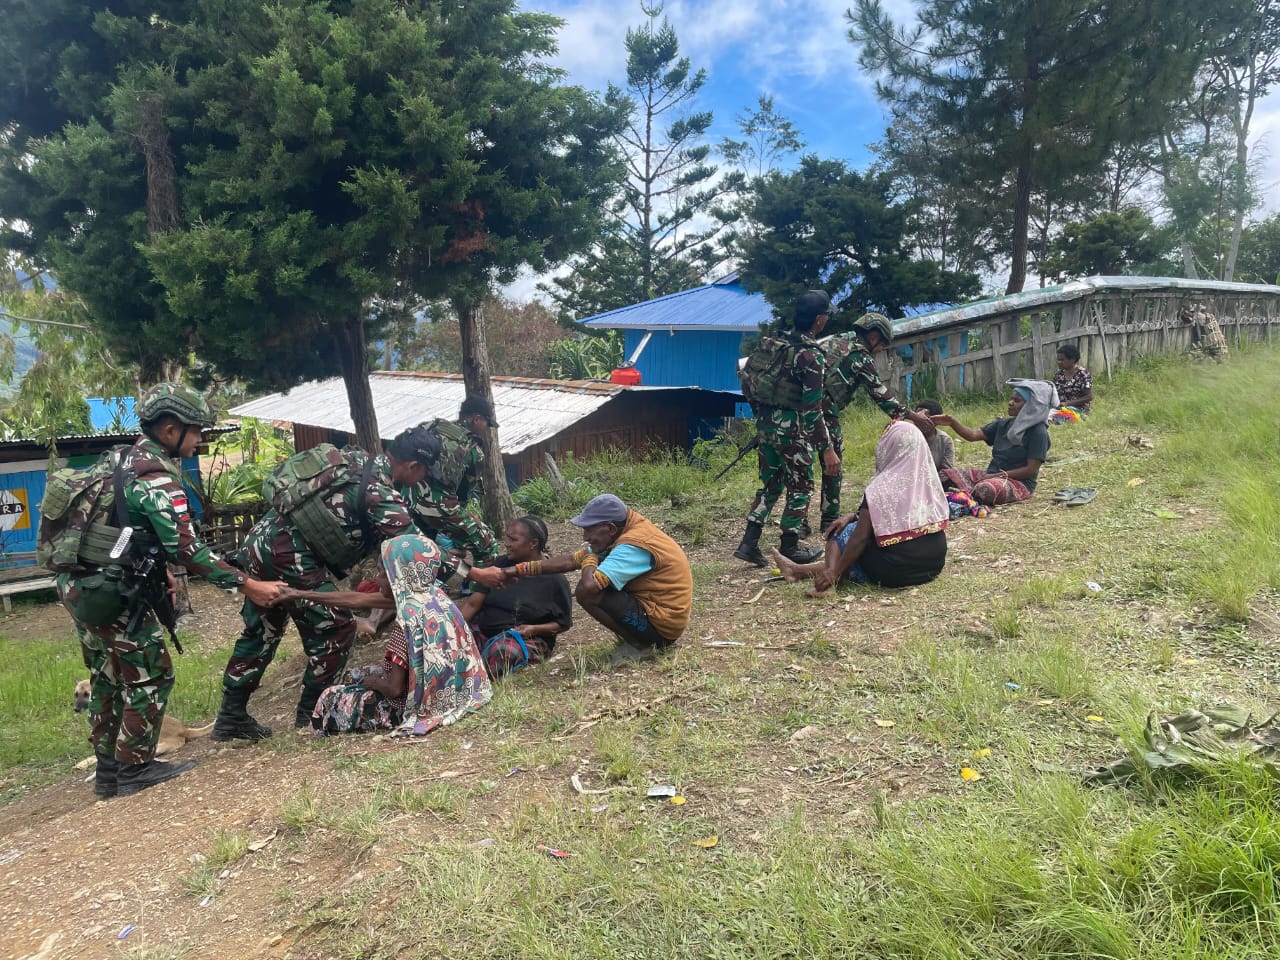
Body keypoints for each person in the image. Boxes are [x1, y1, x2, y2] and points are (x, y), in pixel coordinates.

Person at [52, 383, 283, 798]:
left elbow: (120, 529)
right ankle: (135, 768)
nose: (200, 440)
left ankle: (108, 772)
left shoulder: (118, 460)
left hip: (78, 587)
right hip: (112, 593)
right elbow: (189, 550)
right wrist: (248, 584)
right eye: (197, 432)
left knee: (105, 678)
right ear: (171, 429)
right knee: (151, 676)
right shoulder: (156, 477)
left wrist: (161, 572)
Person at [213, 446, 414, 740]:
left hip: (260, 543)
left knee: (262, 630)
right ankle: (312, 713)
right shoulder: (378, 490)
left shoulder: (352, 461)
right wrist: (468, 573)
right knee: (336, 628)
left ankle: (231, 716)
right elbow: (412, 543)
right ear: (412, 466)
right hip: (290, 553)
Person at [278, 535, 492, 737]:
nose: (378, 580)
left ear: (399, 573)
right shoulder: (435, 598)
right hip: (450, 693)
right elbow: (356, 599)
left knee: (330, 695)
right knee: (356, 676)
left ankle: (319, 731)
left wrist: (374, 682)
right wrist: (301, 594)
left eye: (383, 573)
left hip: (407, 703)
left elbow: (394, 688)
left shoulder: (407, 622)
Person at [471, 494, 692, 666]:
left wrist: (589, 559)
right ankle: (638, 641)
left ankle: (642, 645)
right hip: (652, 612)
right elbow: (568, 561)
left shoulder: (633, 546)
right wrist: (515, 570)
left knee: (588, 593)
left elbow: (589, 585)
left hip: (662, 625)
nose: (585, 537)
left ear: (610, 528)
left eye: (589, 530)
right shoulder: (620, 532)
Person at [772, 420, 949, 595]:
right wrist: (853, 515)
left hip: (896, 573)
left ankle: (830, 580)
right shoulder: (929, 482)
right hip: (932, 567)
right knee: (854, 538)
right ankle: (797, 570)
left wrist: (835, 571)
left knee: (841, 533)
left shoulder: (882, 488)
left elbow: (861, 537)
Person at [733, 290, 836, 566]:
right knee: (801, 485)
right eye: (825, 315)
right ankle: (790, 546)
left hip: (765, 426)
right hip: (793, 430)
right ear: (819, 320)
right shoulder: (811, 356)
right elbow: (813, 410)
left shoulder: (772, 345)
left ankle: (749, 542)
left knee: (771, 483)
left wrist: (763, 418)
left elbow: (747, 382)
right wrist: (827, 449)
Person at [814, 312, 928, 532]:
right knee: (832, 460)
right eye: (882, 345)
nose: (880, 351)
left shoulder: (833, 341)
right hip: (824, 411)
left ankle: (795, 524)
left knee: (799, 466)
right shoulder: (859, 355)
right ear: (874, 337)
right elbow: (880, 394)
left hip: (799, 409)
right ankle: (829, 518)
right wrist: (913, 416)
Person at [455, 516, 572, 680]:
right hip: (484, 631)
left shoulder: (555, 580)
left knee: (503, 652)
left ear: (533, 544)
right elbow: (473, 604)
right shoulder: (499, 567)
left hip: (525, 639)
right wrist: (454, 627)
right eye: (507, 538)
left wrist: (532, 629)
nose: (507, 543)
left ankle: (474, 682)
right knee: (453, 642)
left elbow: (563, 623)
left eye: (513, 539)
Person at [402, 397, 500, 566]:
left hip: (407, 503)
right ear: (476, 419)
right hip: (437, 508)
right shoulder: (472, 449)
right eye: (486, 423)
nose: (486, 428)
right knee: (487, 543)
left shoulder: (430, 428)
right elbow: (461, 496)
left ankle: (422, 586)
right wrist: (460, 541)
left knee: (421, 547)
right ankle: (482, 591)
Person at [931, 379, 1053, 506]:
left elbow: (1031, 470)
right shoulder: (1004, 424)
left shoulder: (1038, 432)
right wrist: (952, 422)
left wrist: (996, 476)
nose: (1010, 403)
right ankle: (964, 495)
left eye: (1017, 401)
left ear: (1031, 406)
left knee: (986, 490)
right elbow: (972, 435)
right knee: (943, 475)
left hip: (1017, 482)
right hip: (991, 475)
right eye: (1011, 399)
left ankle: (963, 496)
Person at [913, 398, 956, 471]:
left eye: (925, 418)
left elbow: (946, 471)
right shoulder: (906, 436)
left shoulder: (944, 440)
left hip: (936, 480)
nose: (919, 422)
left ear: (936, 421)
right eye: (917, 417)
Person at [1051, 344, 1093, 418]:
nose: (1059, 362)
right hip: (1060, 408)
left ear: (1072, 359)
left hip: (1078, 409)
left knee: (1057, 416)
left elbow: (1089, 397)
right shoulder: (1059, 374)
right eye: (1058, 360)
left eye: (1062, 360)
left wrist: (1068, 403)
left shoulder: (1083, 374)